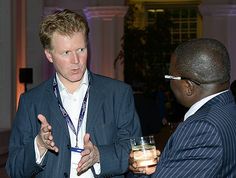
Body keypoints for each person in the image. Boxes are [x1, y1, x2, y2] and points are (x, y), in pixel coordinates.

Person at [6, 9, 142, 178]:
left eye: (81, 50)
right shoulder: (30, 102)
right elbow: (14, 169)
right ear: (49, 55)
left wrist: (99, 155)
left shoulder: (118, 94)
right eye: (66, 53)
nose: (76, 60)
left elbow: (134, 152)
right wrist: (39, 145)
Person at [130, 38, 236, 177]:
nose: (169, 83)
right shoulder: (228, 108)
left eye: (171, 77)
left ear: (188, 87)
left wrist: (140, 172)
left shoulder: (202, 127)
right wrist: (170, 163)